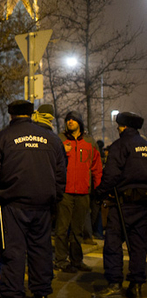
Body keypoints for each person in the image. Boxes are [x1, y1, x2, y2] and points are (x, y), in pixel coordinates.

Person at [0, 100, 67, 298]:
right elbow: (61, 174)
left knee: (12, 252)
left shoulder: (1, 139)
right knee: (41, 250)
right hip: (42, 204)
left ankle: (12, 291)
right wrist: (56, 198)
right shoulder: (51, 139)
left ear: (11, 115)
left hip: (12, 205)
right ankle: (42, 290)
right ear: (31, 114)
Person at [91, 112, 147, 298]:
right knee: (138, 244)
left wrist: (98, 194)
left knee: (113, 244)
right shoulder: (145, 145)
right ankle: (137, 284)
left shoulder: (120, 146)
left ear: (123, 127)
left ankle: (115, 283)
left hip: (122, 204)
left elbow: (111, 176)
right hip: (143, 204)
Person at [55, 111, 102, 273]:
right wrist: (62, 150)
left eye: (73, 120)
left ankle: (76, 260)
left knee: (77, 229)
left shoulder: (90, 142)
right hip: (65, 192)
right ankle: (61, 260)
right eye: (68, 119)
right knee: (61, 228)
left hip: (83, 192)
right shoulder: (59, 140)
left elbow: (97, 168)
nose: (70, 122)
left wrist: (98, 189)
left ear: (80, 122)